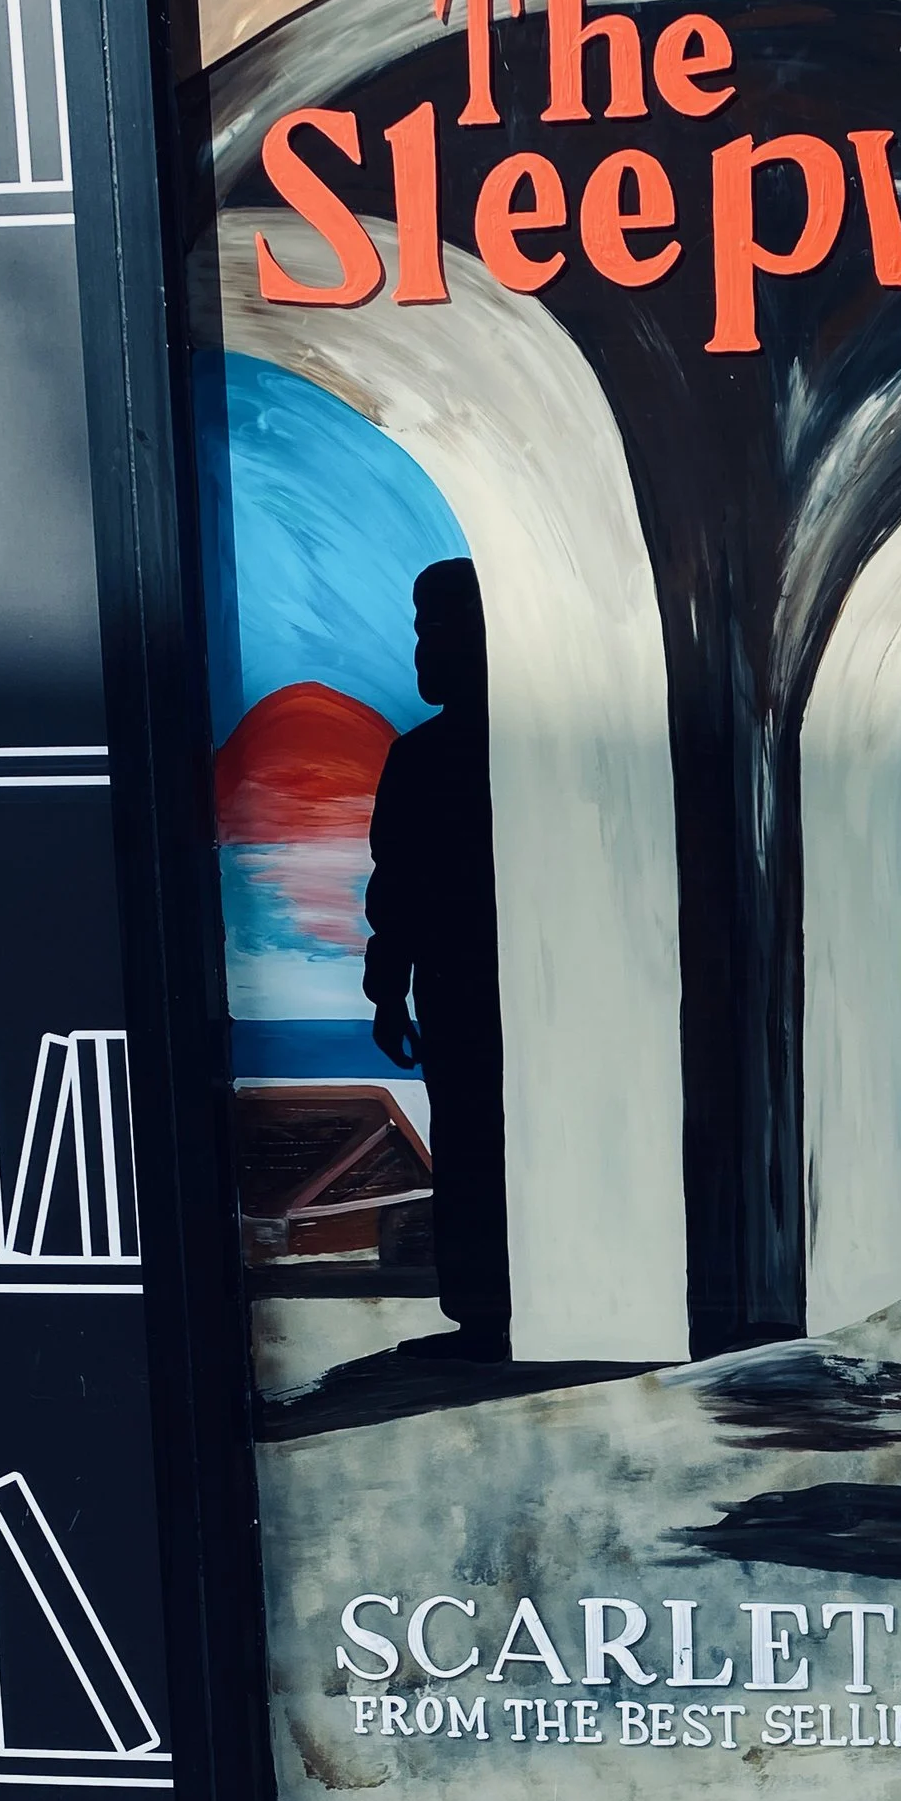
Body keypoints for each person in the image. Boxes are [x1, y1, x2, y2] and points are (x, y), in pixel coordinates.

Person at [363, 559, 511, 1359]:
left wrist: (388, 993)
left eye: (435, 631)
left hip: (457, 988)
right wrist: (390, 991)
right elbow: (396, 886)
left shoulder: (422, 758)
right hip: (480, 989)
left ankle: (484, 1317)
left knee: (469, 1143)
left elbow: (397, 886)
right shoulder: (504, 753)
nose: (421, 652)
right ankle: (493, 1313)